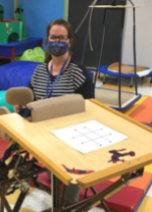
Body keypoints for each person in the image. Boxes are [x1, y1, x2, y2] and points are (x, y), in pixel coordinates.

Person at [14, 19, 94, 204]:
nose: (57, 41)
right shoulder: (40, 70)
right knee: (53, 174)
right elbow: (31, 100)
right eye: (53, 37)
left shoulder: (79, 72)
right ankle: (54, 176)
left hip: (71, 137)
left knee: (68, 197)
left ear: (70, 41)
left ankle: (70, 201)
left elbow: (90, 108)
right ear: (47, 40)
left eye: (62, 37)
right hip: (42, 134)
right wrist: (22, 107)